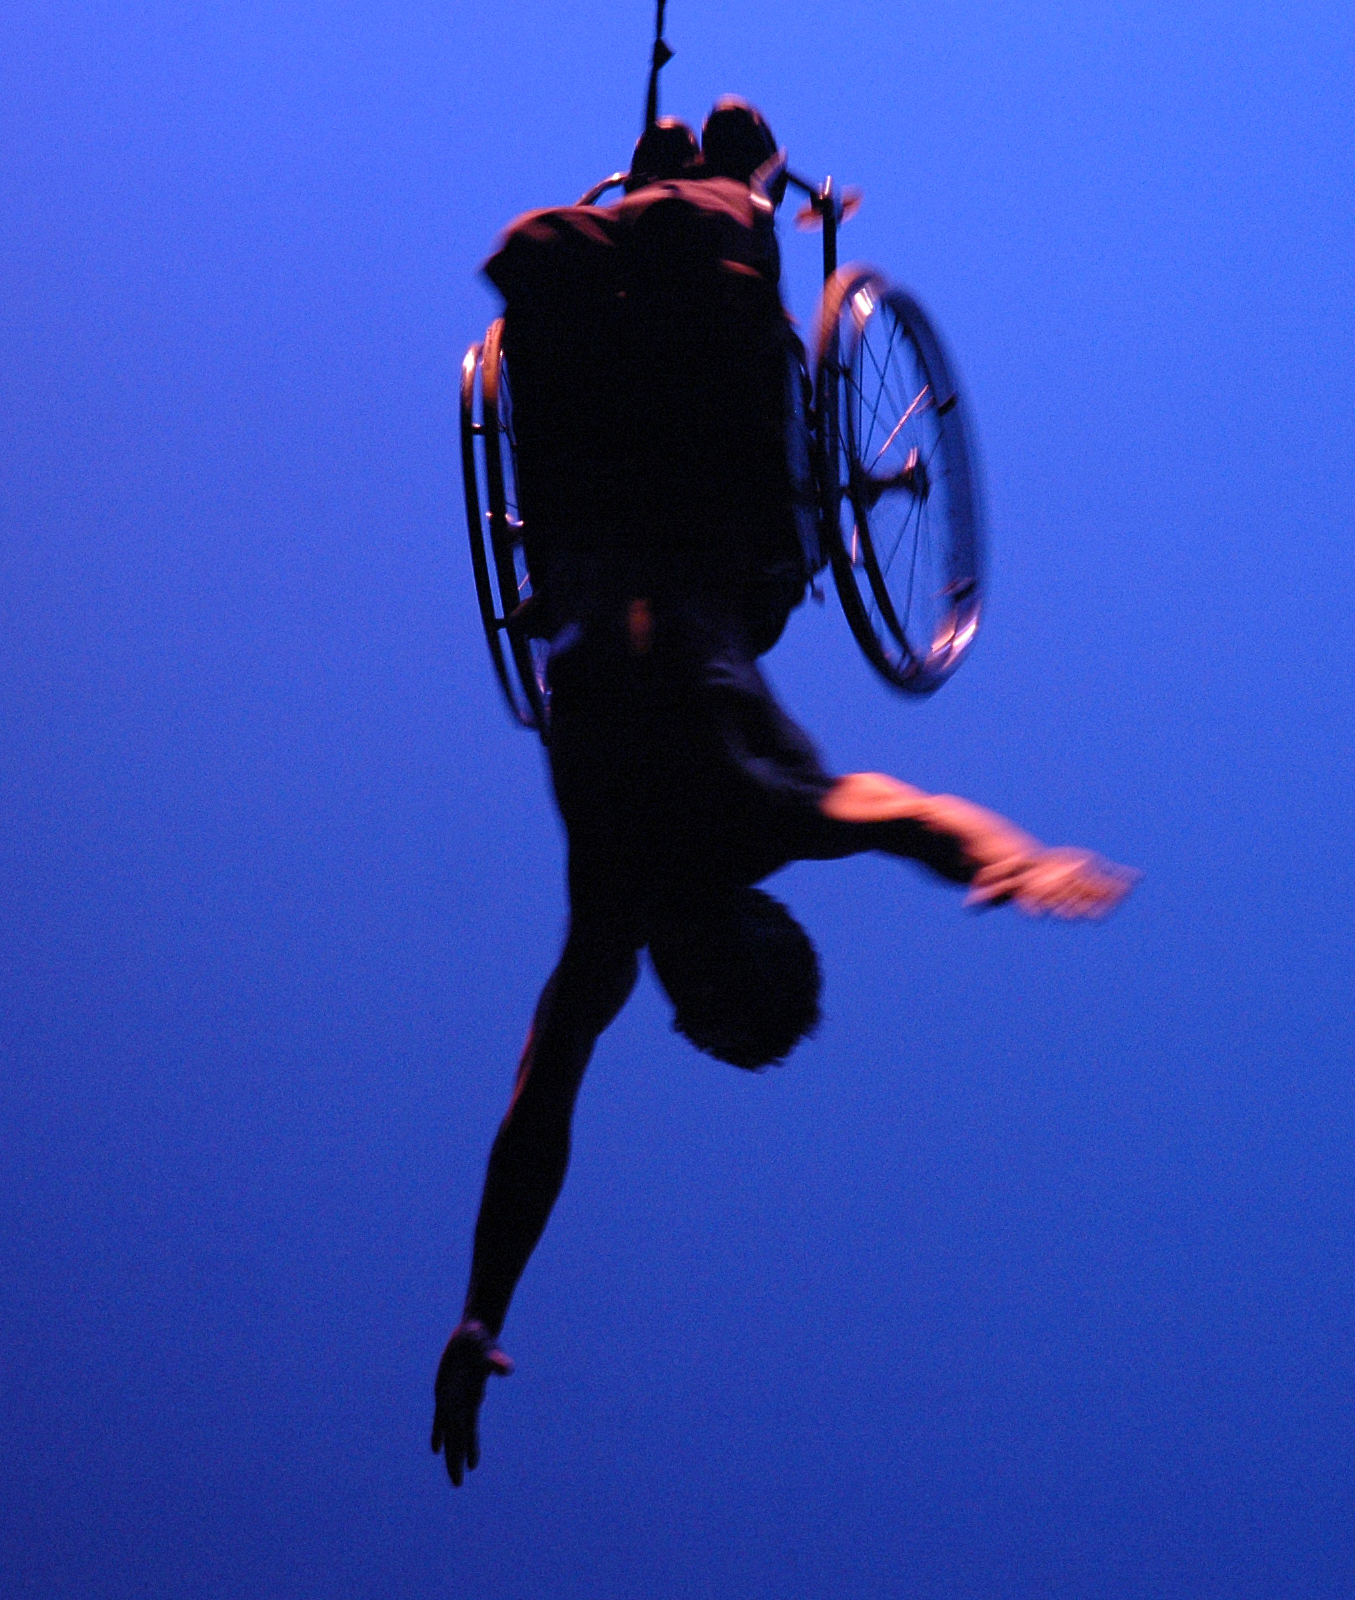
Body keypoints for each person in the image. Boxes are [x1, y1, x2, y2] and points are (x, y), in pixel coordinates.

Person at [432, 98, 1139, 1486]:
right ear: (755, 933)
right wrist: (1010, 857)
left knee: (554, 253)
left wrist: (480, 1307)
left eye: (699, 1001)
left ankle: (706, 184)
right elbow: (907, 819)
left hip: (597, 486)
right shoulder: (760, 817)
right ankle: (738, 178)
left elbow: (538, 1119)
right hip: (701, 490)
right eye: (727, 980)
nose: (691, 976)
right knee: (710, 214)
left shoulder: (617, 913)